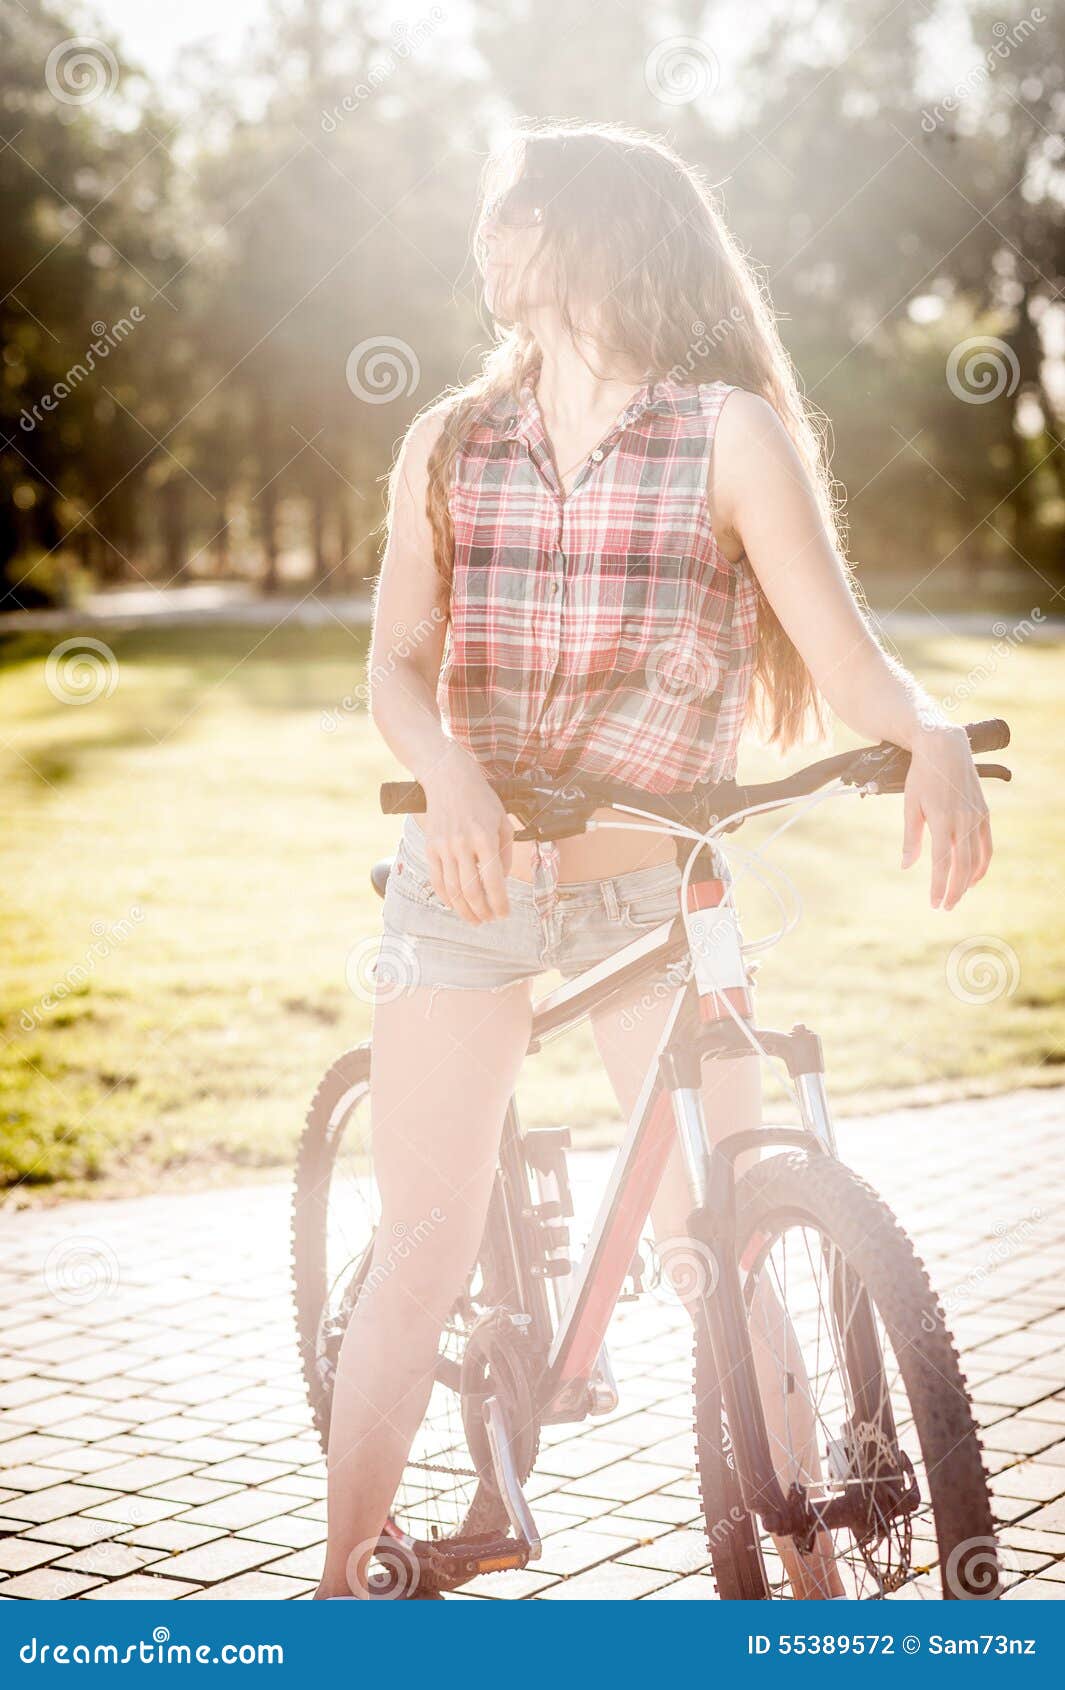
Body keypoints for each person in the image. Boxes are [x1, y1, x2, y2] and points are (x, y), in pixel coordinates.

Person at [314, 120, 992, 1600]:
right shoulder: (448, 442)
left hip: (655, 882)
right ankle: (331, 1597)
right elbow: (397, 668)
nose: (485, 246)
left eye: (512, 219)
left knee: (727, 1254)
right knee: (420, 1258)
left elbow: (848, 655)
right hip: (476, 884)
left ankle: (813, 1617)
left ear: (588, 236)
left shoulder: (726, 433)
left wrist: (928, 728)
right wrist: (449, 783)